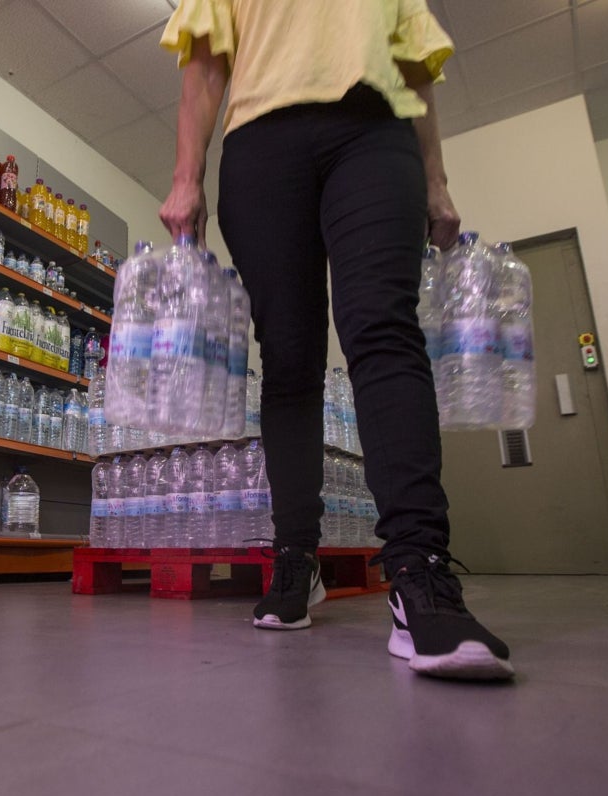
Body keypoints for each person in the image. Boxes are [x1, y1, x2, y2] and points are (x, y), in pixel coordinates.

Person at [159, 0, 513, 680]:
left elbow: (414, 69)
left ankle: (420, 571)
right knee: (288, 358)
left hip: (373, 132)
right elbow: (204, 71)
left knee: (383, 328)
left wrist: (436, 179)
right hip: (261, 144)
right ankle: (295, 559)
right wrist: (185, 176)